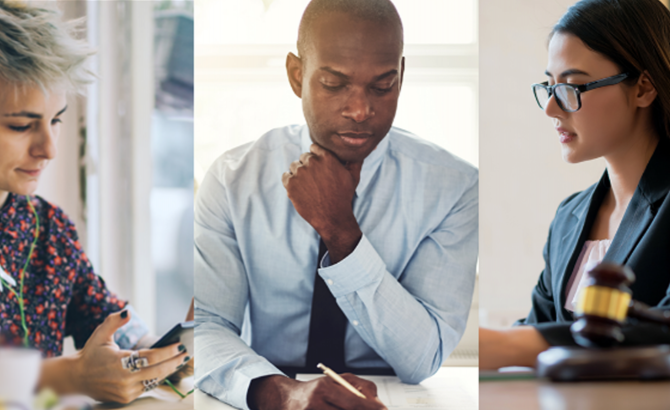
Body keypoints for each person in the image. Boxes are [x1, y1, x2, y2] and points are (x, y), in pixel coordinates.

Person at [194, 0, 478, 409]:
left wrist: (340, 231)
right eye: (333, 84)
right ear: (297, 75)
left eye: (383, 86)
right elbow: (205, 328)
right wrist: (283, 394)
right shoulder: (231, 179)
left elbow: (422, 358)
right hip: (271, 392)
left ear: (401, 76)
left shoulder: (455, 188)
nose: (360, 109)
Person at [0, 1, 191, 403]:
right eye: (21, 125)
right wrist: (70, 377)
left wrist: (162, 353)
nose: (49, 149)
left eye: (56, 120)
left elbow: (105, 316)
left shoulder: (48, 228)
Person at [480, 0, 670, 370]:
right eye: (549, 86)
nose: (551, 108)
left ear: (644, 88)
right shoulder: (570, 216)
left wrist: (508, 345)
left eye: (573, 87)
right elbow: (538, 327)